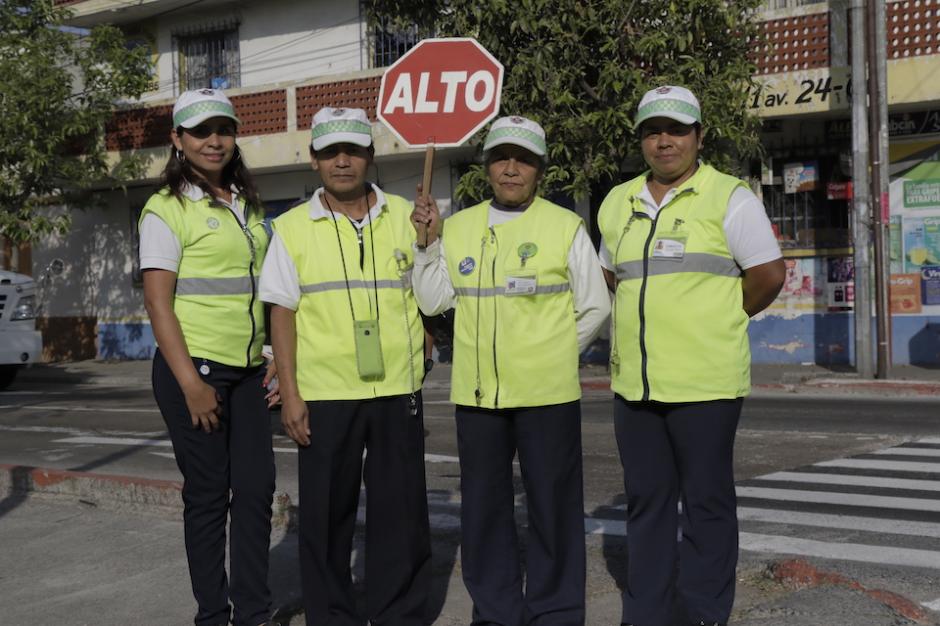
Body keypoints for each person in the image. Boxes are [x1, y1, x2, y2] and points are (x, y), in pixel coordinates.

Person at [597, 85, 785, 626]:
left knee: (705, 506)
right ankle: (648, 613)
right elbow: (610, 277)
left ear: (698, 137)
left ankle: (703, 613)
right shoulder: (618, 202)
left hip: (707, 384)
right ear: (641, 140)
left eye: (677, 130)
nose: (664, 141)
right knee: (647, 505)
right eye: (654, 131)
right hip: (635, 386)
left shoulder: (730, 197)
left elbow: (769, 276)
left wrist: (720, 318)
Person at [411, 116, 610, 626]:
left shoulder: (563, 226)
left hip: (547, 395)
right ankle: (496, 612)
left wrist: (552, 356)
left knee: (553, 511)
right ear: (488, 167)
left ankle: (556, 612)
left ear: (539, 169)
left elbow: (593, 308)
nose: (511, 169)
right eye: (502, 158)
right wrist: (428, 245)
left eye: (523, 160)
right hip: (479, 399)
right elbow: (434, 300)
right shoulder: (458, 226)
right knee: (484, 513)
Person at [260, 107, 431, 626]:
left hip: (397, 388)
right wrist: (290, 393)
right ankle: (331, 615)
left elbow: (429, 293)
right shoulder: (290, 228)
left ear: (370, 157)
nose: (342, 161)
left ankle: (397, 613)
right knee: (324, 517)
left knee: (400, 516)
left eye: (353, 150)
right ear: (313, 160)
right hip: (324, 393)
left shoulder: (409, 215)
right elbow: (281, 314)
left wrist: (429, 243)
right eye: (331, 151)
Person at [139, 88, 277, 626]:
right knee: (208, 495)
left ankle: (253, 612)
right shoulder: (166, 209)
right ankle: (213, 615)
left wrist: (272, 357)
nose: (214, 141)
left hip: (247, 372)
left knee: (258, 491)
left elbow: (262, 289)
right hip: (192, 370)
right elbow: (157, 302)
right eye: (200, 131)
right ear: (178, 140)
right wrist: (192, 385)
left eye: (223, 129)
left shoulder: (249, 203)